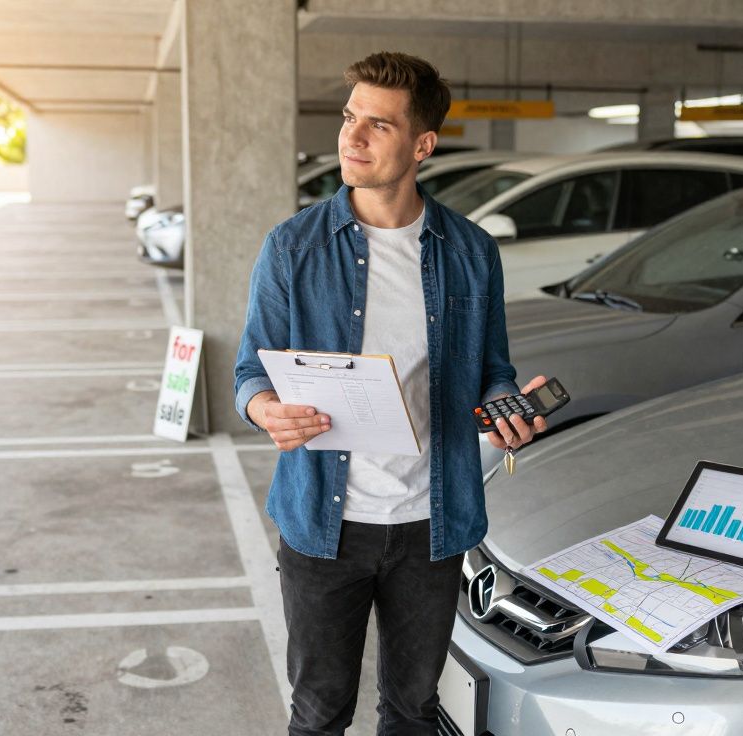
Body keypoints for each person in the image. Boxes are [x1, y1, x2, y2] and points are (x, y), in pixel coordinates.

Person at [233, 51, 549, 736]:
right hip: (322, 524)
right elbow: (249, 372)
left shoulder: (470, 251)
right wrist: (267, 412)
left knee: (413, 709)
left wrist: (506, 408)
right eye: (351, 118)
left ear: (422, 145)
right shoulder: (293, 247)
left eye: (377, 124)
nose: (352, 136)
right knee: (319, 710)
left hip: (429, 528)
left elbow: (492, 368)